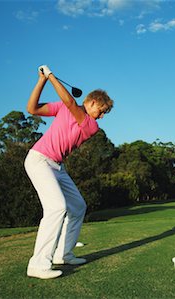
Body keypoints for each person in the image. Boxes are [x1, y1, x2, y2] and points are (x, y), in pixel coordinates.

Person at [24, 65, 114, 279]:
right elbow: (32, 109)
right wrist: (43, 80)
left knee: (78, 206)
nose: (101, 117)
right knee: (57, 207)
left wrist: (51, 75)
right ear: (92, 102)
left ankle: (63, 255)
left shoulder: (91, 126)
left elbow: (70, 103)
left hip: (56, 166)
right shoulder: (65, 108)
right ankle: (37, 264)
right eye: (101, 111)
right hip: (39, 160)